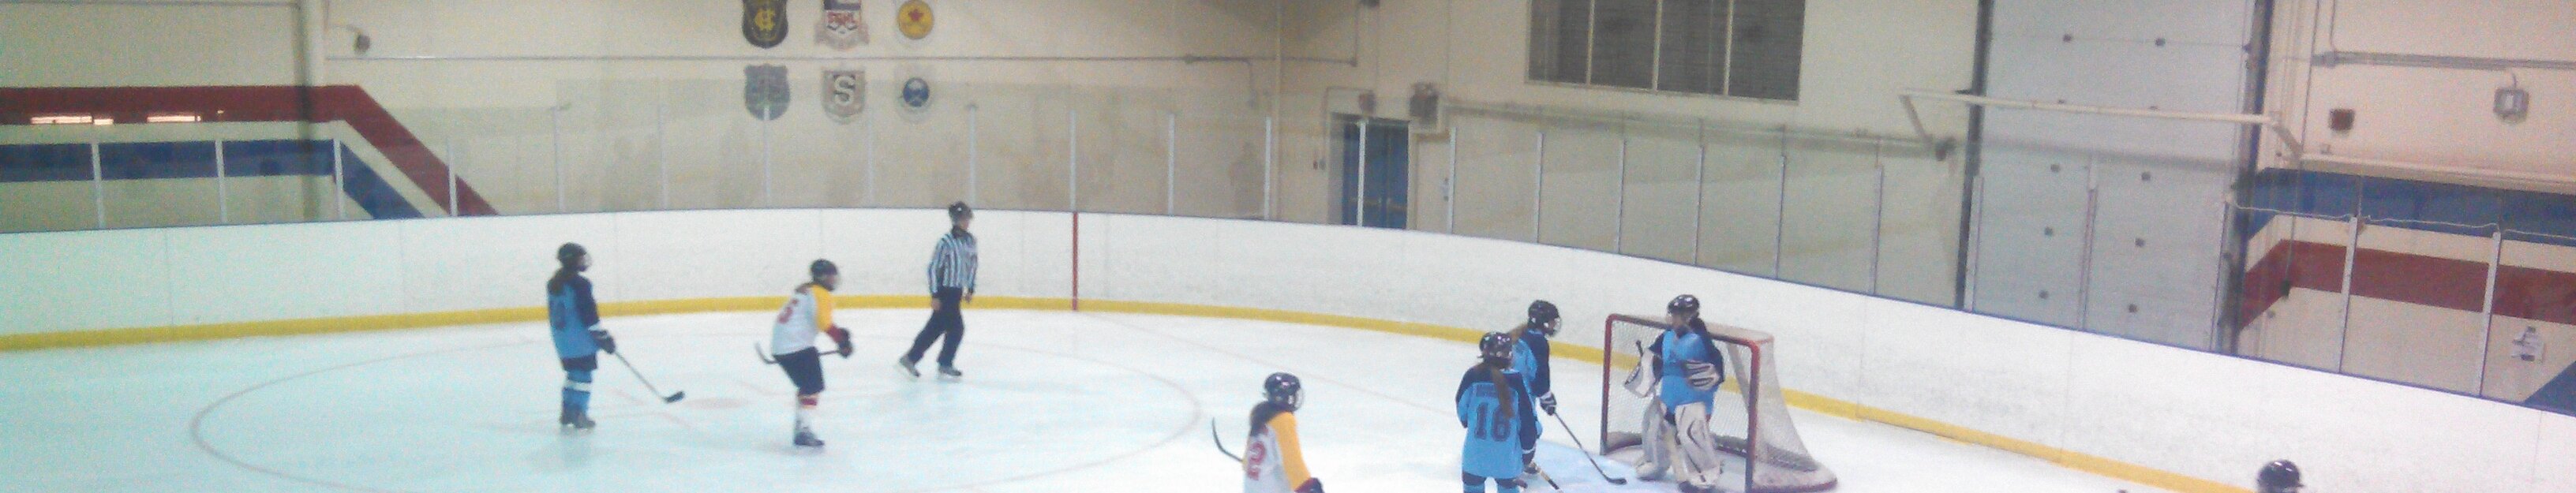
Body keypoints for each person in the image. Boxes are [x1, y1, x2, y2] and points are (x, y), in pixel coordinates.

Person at [1638, 294, 1728, 492]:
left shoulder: (1701, 340)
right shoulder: (1667, 336)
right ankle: (1655, 463)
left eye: (1676, 315)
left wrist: (1713, 375)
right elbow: (1654, 357)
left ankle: (1705, 473)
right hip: (1669, 397)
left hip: (1693, 400)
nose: (1672, 318)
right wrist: (1649, 369)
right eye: (1671, 314)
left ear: (1688, 317)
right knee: (1654, 426)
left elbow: (1717, 368)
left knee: (1692, 435)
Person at [772, 259, 855, 447]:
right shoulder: (820, 293)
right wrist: (842, 341)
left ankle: (802, 427)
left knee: (808, 386)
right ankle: (803, 430)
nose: (834, 280)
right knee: (812, 387)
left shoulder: (808, 290)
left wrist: (840, 335)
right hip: (795, 347)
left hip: (783, 346)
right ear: (823, 277)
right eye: (831, 277)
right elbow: (823, 323)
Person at [899, 201, 978, 379]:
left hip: (957, 291)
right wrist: (935, 294)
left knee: (939, 327)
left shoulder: (970, 241)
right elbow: (934, 268)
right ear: (955, 220)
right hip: (945, 291)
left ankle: (918, 359)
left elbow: (972, 264)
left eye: (967, 218)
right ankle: (936, 362)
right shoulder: (945, 242)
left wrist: (970, 287)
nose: (966, 222)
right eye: (963, 219)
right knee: (952, 328)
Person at [545, 243, 616, 431]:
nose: (584, 261)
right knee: (583, 377)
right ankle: (579, 413)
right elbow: (588, 314)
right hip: (580, 339)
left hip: (562, 339)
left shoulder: (554, 283)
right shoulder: (580, 284)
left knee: (572, 375)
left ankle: (567, 411)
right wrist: (602, 336)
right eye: (580, 258)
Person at [1458, 332, 1538, 493]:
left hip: (1474, 456)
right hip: (1507, 459)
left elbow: (1462, 410)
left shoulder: (1472, 375)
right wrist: (1528, 451)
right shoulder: (1516, 380)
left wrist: (1469, 422)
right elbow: (1528, 421)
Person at [1245, 372, 1325, 493]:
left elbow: (1246, 461)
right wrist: (1307, 487)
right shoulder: (1283, 420)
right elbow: (1292, 460)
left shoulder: (1260, 416)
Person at [1507, 300, 1560, 479]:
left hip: (1505, 387)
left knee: (1513, 425)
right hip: (1521, 393)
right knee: (1532, 428)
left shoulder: (1520, 334)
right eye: (1551, 321)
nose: (1554, 325)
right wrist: (1546, 398)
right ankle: (1518, 462)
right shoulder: (1539, 342)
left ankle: (1509, 458)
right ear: (1543, 322)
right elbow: (1540, 377)